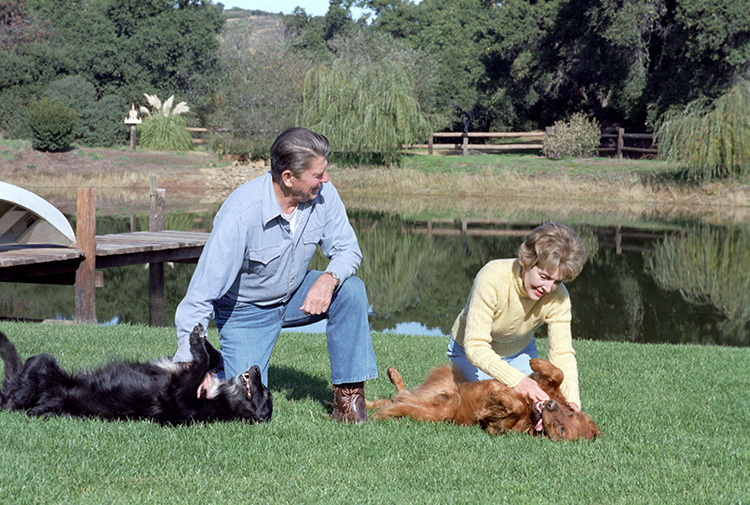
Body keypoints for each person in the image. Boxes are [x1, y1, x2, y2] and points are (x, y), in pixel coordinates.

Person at [173, 127, 377, 423]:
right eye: (318, 175)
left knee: (350, 290)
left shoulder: (324, 195)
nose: (326, 180)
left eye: (325, 172)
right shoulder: (240, 215)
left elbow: (348, 250)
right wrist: (190, 369)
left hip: (295, 294)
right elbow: (201, 293)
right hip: (244, 311)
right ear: (288, 178)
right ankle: (217, 367)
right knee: (246, 411)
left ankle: (349, 405)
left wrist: (329, 277)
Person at [447, 222, 586, 410]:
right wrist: (518, 381)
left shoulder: (558, 296)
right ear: (527, 261)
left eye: (557, 281)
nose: (548, 288)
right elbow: (475, 346)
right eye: (544, 277)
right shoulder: (492, 277)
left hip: (520, 354)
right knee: (488, 403)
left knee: (535, 406)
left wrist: (571, 403)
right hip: (469, 353)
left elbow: (562, 354)